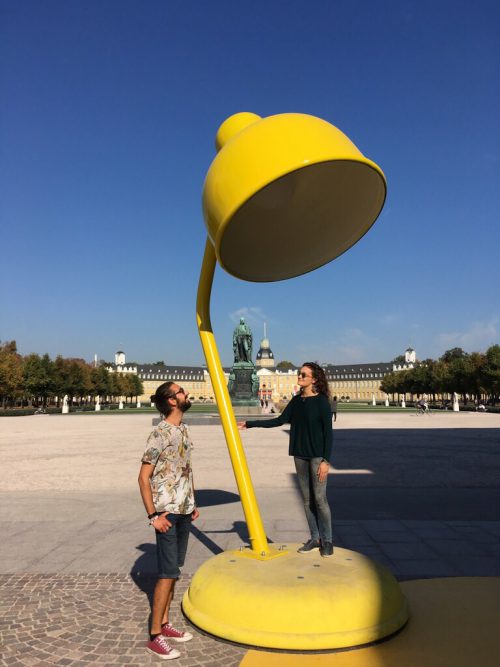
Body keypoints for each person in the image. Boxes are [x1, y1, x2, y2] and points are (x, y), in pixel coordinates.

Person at [238, 362, 334, 557]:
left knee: (320, 499)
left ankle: (328, 540)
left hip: (317, 457)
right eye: (299, 374)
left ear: (313, 379)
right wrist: (250, 424)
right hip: (299, 455)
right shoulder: (297, 401)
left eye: (303, 374)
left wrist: (326, 461)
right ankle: (315, 538)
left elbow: (328, 434)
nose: (299, 376)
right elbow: (279, 420)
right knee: (307, 500)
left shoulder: (322, 402)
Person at [138, 382, 199, 661]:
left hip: (184, 509)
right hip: (167, 513)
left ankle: (164, 623)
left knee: (174, 571)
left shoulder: (184, 429)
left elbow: (186, 469)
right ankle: (154, 636)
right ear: (172, 401)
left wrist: (193, 501)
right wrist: (153, 517)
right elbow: (143, 477)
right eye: (181, 391)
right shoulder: (159, 434)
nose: (186, 393)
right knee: (166, 574)